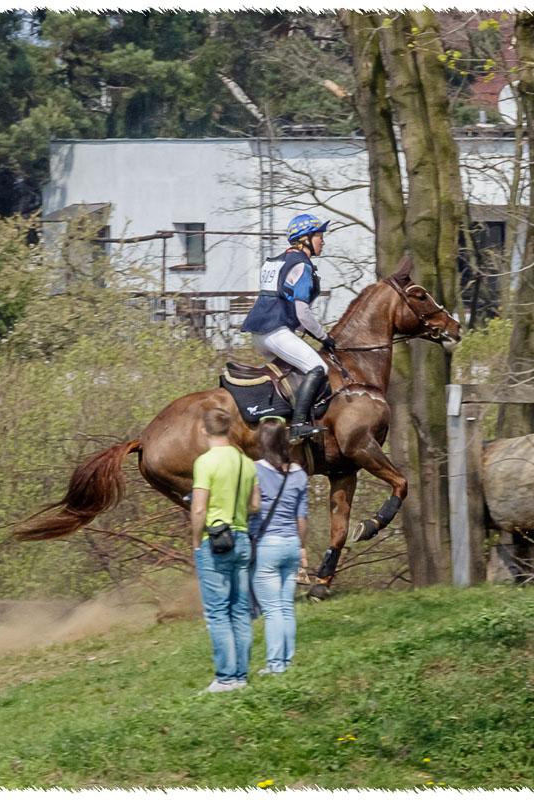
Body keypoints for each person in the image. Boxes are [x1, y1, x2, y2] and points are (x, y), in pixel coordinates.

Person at [241, 213, 336, 443]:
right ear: (305, 239)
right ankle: (299, 426)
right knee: (318, 367)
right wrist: (324, 337)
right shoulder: (302, 266)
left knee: (291, 374)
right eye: (319, 236)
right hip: (276, 332)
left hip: (259, 333)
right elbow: (302, 312)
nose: (323, 241)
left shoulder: (277, 260)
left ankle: (281, 421)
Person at [190, 407, 260, 694]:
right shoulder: (247, 463)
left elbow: (198, 508)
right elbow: (256, 505)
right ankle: (241, 676)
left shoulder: (205, 463)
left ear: (204, 430)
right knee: (240, 610)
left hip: (215, 542)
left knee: (218, 612)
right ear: (229, 429)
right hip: (242, 539)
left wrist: (196, 541)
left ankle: (226, 678)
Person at [250, 416, 310, 674]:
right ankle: (285, 661)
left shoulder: (255, 470)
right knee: (286, 607)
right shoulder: (299, 473)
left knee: (272, 608)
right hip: (291, 546)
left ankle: (275, 666)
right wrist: (301, 547)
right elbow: (302, 518)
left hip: (267, 546)